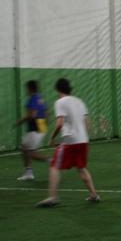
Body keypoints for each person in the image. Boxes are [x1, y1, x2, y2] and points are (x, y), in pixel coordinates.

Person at [35, 78, 100, 207]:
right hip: (83, 140)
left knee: (54, 166)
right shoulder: (79, 101)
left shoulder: (60, 102)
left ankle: (53, 197)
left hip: (70, 141)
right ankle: (94, 195)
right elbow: (87, 122)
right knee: (81, 168)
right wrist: (84, 136)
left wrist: (52, 138)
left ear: (58, 90)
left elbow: (59, 124)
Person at [14, 80, 48, 181]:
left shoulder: (32, 99)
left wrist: (20, 121)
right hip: (41, 127)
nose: (26, 90)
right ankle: (28, 172)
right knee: (25, 148)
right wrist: (44, 124)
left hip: (34, 129)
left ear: (30, 88)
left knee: (30, 152)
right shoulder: (41, 99)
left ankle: (52, 160)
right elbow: (47, 113)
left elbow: (32, 114)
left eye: (26, 88)